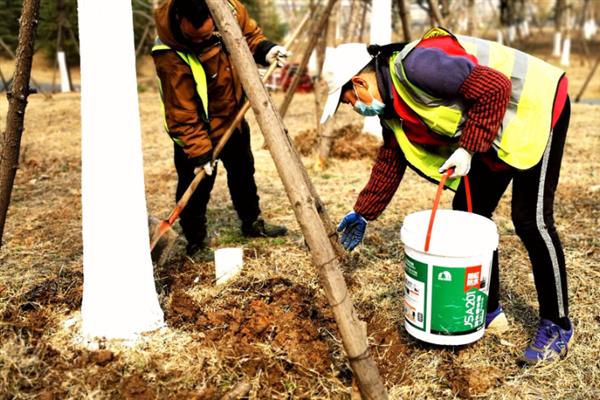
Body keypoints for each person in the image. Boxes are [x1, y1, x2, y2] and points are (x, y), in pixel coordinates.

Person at [321, 27, 572, 364]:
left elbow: (496, 87)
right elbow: (391, 159)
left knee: (531, 220)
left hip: (535, 106)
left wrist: (468, 149)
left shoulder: (419, 66)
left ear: (361, 83)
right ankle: (487, 307)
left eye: (348, 101)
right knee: (468, 212)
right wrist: (364, 211)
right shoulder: (392, 110)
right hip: (493, 124)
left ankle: (556, 325)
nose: (353, 108)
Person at [152, 0, 288, 257]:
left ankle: (251, 222)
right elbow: (182, 113)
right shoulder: (170, 55)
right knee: (196, 187)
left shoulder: (227, 8)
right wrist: (200, 153)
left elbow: (247, 34)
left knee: (244, 172)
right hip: (197, 131)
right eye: (196, 38)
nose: (203, 41)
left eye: (208, 35)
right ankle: (195, 240)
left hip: (234, 117)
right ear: (180, 20)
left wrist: (265, 50)